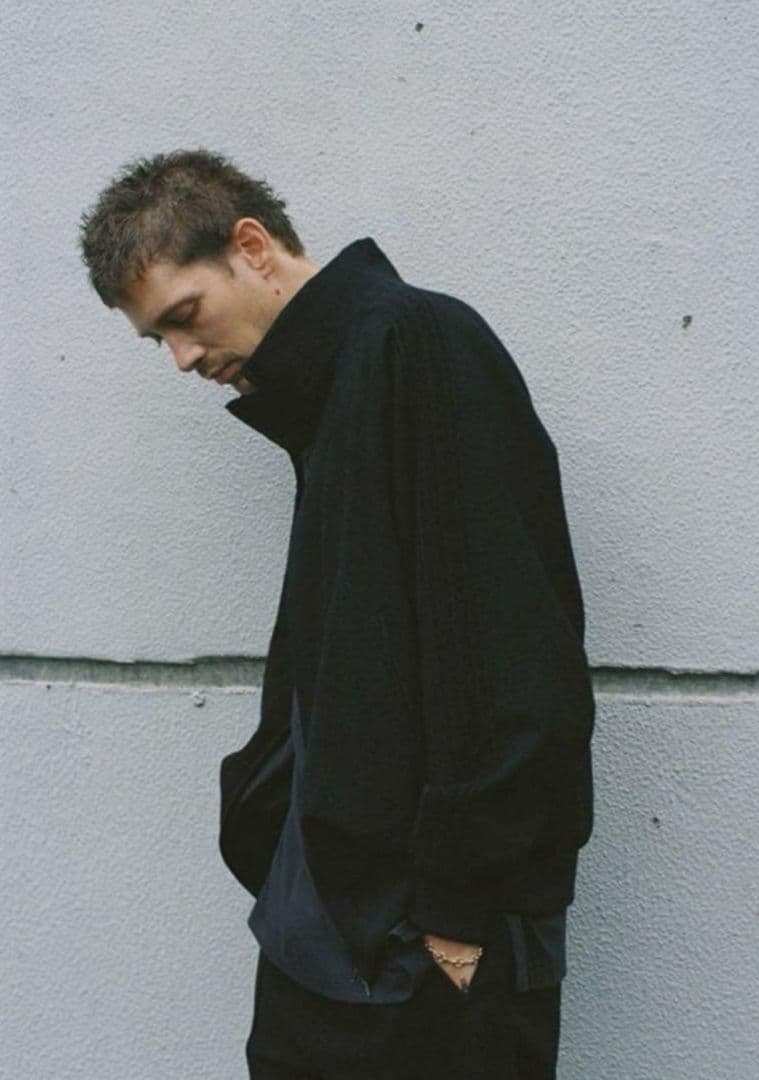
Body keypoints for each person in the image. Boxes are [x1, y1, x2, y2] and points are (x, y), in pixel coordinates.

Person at [78, 149, 596, 1079]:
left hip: (422, 949)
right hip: (335, 932)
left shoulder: (417, 344)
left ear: (252, 247)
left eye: (184, 317)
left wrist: (456, 913)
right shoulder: (333, 389)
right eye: (158, 341)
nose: (183, 359)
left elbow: (512, 649)